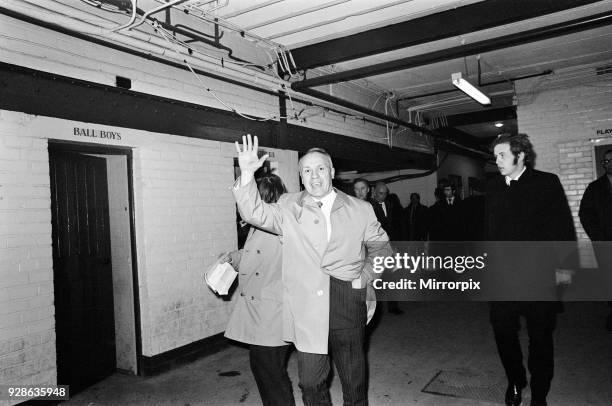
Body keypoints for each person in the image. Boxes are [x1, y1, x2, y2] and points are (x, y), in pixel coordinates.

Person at [232, 134, 391, 406]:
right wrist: (247, 174)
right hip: (305, 304)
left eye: (320, 169)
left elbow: (382, 250)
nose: (314, 176)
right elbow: (253, 213)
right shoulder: (287, 206)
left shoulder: (361, 209)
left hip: (347, 298)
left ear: (332, 172)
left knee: (353, 381)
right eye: (307, 170)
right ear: (301, 176)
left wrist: (363, 278)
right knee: (310, 381)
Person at [485, 133, 575, 406]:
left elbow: (563, 229)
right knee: (502, 331)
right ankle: (515, 380)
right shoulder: (492, 187)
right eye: (495, 156)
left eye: (502, 155)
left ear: (520, 154)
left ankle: (539, 391)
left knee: (540, 337)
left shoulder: (546, 183)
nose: (497, 160)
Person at [221, 174, 295, 406]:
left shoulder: (280, 221)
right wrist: (233, 257)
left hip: (272, 309)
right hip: (263, 309)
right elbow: (256, 254)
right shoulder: (262, 225)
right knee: (267, 370)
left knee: (269, 372)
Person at [578, 148, 612, 331]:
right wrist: (598, 236)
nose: (608, 163)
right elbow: (585, 214)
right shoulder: (595, 188)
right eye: (605, 161)